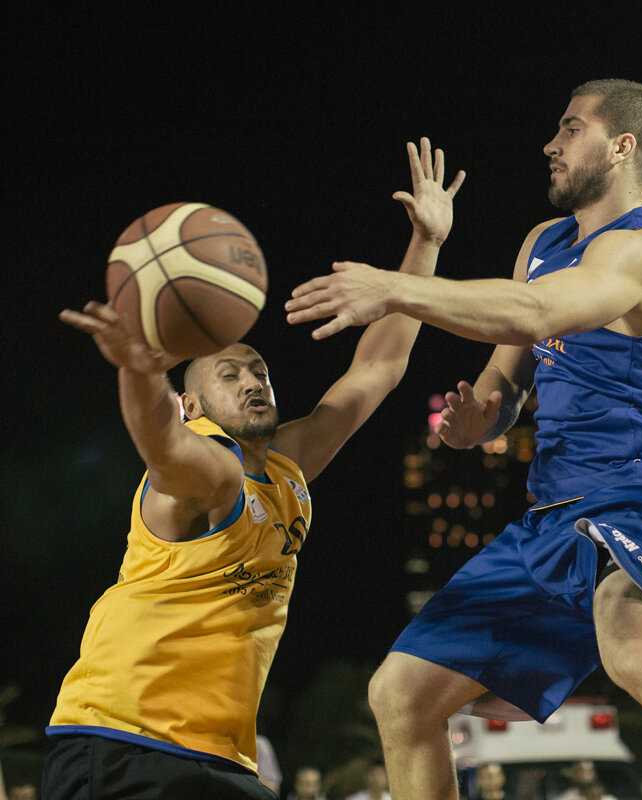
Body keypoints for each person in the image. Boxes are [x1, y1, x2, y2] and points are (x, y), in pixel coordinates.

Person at [285, 79, 642, 800]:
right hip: (553, 516)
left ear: (622, 147)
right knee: (400, 694)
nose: (549, 145)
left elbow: (532, 313)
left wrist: (394, 287)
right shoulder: (543, 244)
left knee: (636, 647)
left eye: (570, 128)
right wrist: (482, 419)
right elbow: (510, 371)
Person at [41, 138, 465, 800]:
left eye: (258, 370)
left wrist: (425, 248)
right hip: (125, 741)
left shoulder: (287, 468)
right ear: (192, 403)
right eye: (228, 374)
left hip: (215, 756)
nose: (251, 381)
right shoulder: (212, 468)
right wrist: (139, 375)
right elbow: (162, 445)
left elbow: (377, 368)